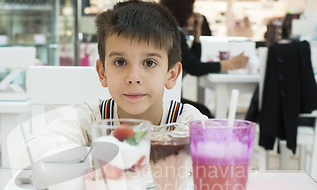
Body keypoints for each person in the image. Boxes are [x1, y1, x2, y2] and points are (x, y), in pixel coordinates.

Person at [12, 0, 207, 169]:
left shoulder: (187, 123)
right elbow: (29, 152)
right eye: (120, 62)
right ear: (102, 73)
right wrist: (105, 159)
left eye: (149, 63)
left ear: (172, 75)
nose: (133, 77)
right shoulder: (92, 118)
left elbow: (219, 164)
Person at [160, 0, 249, 117]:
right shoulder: (175, 32)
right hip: (168, 101)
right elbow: (194, 67)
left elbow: (193, 60)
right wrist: (229, 64)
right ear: (183, 10)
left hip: (167, 98)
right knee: (205, 114)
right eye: (191, 9)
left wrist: (197, 33)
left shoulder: (172, 31)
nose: (194, 14)